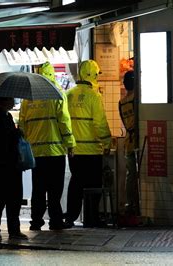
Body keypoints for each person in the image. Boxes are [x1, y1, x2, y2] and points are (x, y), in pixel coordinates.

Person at [19, 62, 76, 231]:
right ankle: (55, 221)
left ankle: (36, 222)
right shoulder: (57, 93)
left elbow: (22, 125)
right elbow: (64, 122)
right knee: (54, 189)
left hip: (36, 152)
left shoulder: (28, 98)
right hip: (55, 151)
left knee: (38, 189)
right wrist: (70, 144)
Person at [64, 60, 112, 228]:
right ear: (93, 75)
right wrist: (107, 142)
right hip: (92, 151)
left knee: (76, 183)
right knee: (93, 185)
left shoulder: (68, 95)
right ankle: (91, 219)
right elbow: (99, 123)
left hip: (74, 150)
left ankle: (70, 217)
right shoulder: (94, 96)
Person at [0, 97, 28, 240]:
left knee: (14, 199)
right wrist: (15, 134)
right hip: (3, 165)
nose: (13, 102)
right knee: (2, 199)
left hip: (12, 164)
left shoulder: (8, 116)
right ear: (3, 101)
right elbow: (4, 138)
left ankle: (14, 229)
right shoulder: (0, 117)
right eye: (10, 99)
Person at [118, 70, 140, 216]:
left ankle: (129, 204)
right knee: (137, 175)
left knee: (130, 175)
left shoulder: (122, 102)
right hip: (137, 140)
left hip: (128, 142)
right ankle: (137, 205)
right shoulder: (137, 99)